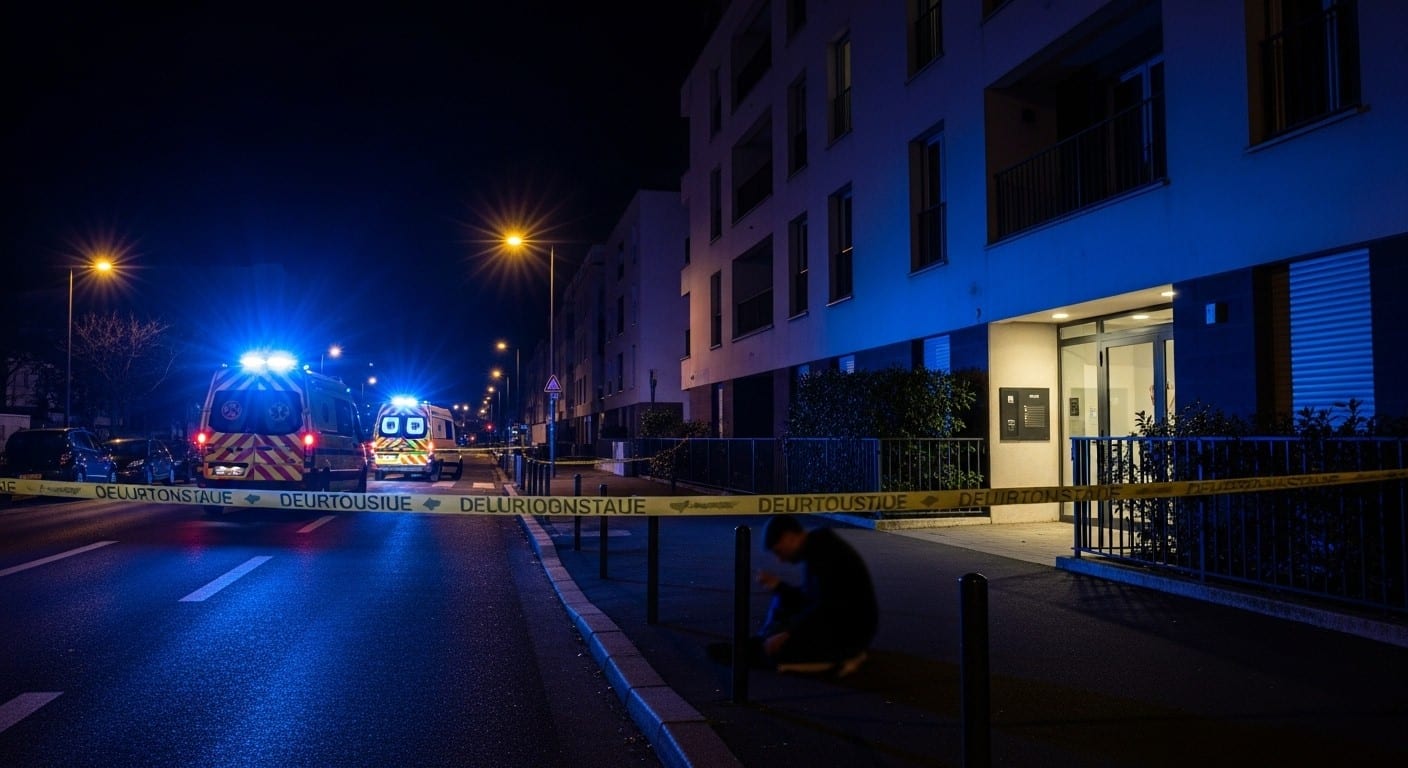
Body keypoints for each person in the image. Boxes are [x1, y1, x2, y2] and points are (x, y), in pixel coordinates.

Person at [752, 513, 879, 676]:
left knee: (775, 654)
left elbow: (827, 606)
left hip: (850, 631)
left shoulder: (825, 553)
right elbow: (814, 600)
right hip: (848, 623)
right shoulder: (819, 548)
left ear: (789, 537)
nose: (780, 559)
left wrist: (788, 634)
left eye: (779, 551)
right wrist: (779, 587)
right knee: (781, 604)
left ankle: (840, 659)